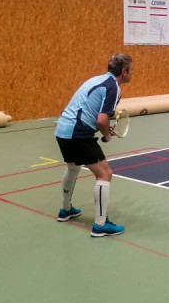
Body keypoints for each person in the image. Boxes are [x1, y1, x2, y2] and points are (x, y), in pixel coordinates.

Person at [54, 53, 133, 237]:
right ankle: (100, 225)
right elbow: (102, 119)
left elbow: (89, 111)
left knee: (73, 167)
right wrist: (106, 134)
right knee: (105, 174)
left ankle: (65, 210)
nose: (132, 73)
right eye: (131, 70)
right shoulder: (113, 87)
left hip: (62, 129)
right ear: (124, 71)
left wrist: (103, 128)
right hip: (78, 133)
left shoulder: (97, 80)